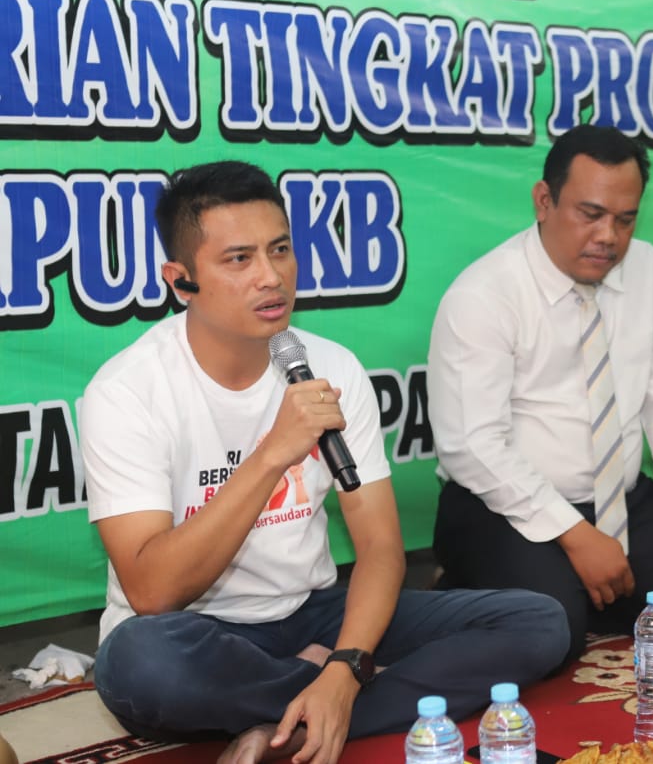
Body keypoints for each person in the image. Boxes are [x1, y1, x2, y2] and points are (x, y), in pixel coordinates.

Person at [82, 161, 568, 764]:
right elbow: (153, 591)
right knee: (139, 664)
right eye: (239, 259)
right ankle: (324, 701)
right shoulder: (127, 391)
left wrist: (345, 665)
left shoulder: (331, 366)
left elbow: (381, 548)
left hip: (310, 615)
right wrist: (272, 453)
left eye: (280, 249)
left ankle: (296, 715)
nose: (271, 277)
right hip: (197, 631)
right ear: (181, 282)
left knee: (537, 621)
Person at [428, 124, 653, 660]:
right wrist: (574, 535)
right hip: (503, 506)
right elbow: (472, 447)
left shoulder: (647, 269)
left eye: (625, 219)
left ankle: (583, 591)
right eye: (591, 214)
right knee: (551, 628)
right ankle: (491, 587)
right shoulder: (483, 295)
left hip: (619, 501)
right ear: (544, 201)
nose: (609, 236)